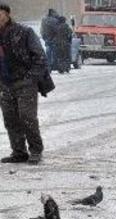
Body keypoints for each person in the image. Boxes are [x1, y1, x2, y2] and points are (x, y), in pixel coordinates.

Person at [0, 3, 47, 164]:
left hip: (24, 81)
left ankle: (35, 151)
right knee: (10, 119)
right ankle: (18, 152)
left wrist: (31, 78)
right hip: (4, 84)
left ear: (7, 14)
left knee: (27, 117)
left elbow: (39, 56)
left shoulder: (23, 32)